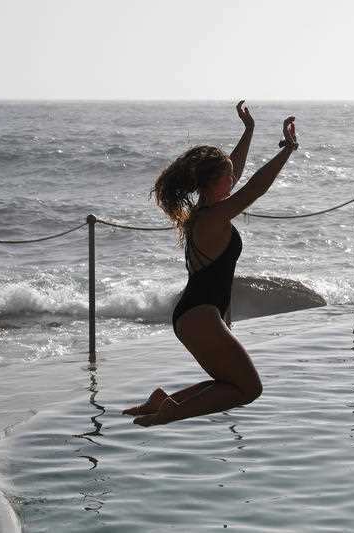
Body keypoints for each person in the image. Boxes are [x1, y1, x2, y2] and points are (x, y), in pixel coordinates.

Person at [123, 101, 298, 426]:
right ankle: (172, 412)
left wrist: (249, 131)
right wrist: (288, 150)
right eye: (228, 175)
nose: (233, 176)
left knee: (233, 385)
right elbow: (255, 188)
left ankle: (165, 402)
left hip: (196, 314)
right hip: (199, 316)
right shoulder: (212, 218)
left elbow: (238, 169)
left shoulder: (203, 212)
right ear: (213, 182)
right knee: (249, 388)